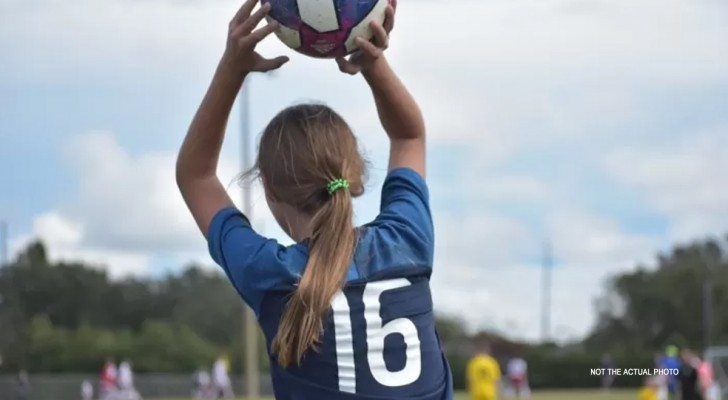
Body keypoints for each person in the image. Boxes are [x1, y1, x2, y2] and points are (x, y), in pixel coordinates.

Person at [176, 0, 452, 398]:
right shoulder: (405, 240)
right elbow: (410, 136)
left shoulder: (270, 274)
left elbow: (195, 175)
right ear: (355, 174)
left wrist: (231, 68)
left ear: (268, 189)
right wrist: (373, 62)